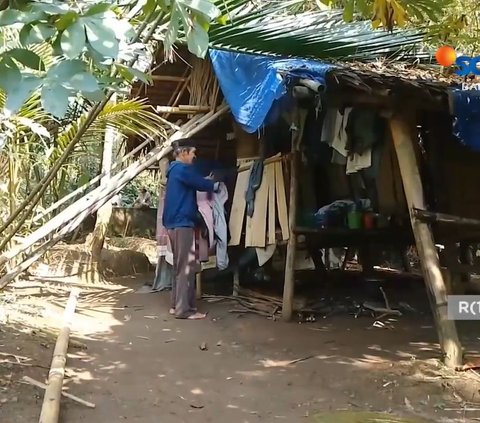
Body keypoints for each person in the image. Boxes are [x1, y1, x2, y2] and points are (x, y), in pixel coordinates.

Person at [162, 138, 219, 320]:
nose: (194, 156)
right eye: (193, 152)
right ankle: (183, 310)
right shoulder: (182, 169)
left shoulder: (174, 171)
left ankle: (175, 305)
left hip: (173, 223)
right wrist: (214, 184)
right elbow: (201, 184)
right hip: (182, 223)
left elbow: (195, 182)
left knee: (179, 266)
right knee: (186, 266)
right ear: (184, 153)